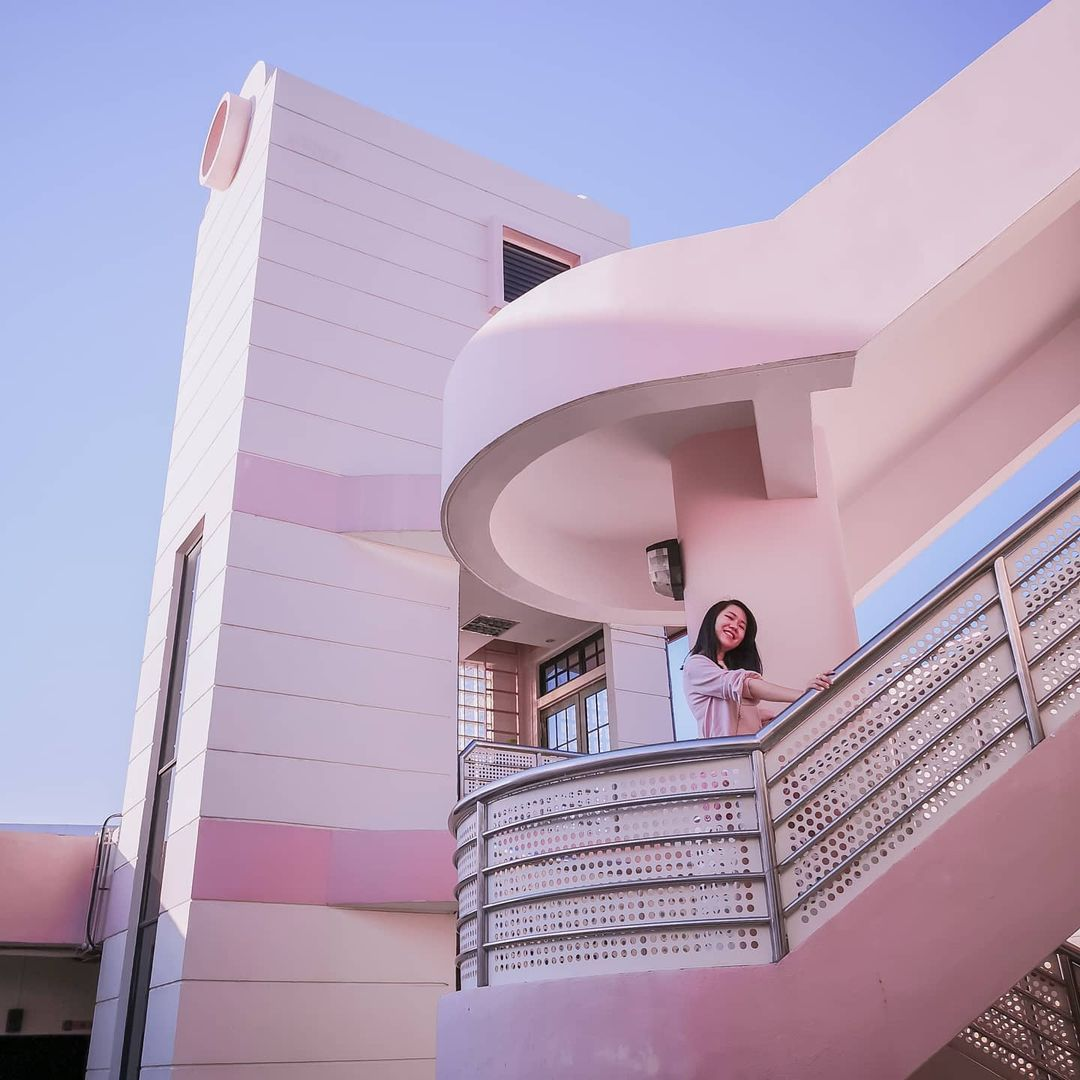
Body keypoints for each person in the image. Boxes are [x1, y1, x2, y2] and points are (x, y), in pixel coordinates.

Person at [682, 599, 833, 738]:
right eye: (729, 617)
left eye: (742, 626)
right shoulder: (696, 665)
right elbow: (744, 685)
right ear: (712, 619)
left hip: (749, 760)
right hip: (727, 763)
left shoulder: (727, 670)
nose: (734, 626)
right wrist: (802, 696)